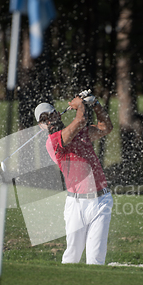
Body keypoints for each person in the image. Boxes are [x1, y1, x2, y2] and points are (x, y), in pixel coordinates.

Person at [34, 92, 113, 265]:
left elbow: (106, 128)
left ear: (57, 114)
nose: (49, 120)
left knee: (96, 259)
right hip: (76, 205)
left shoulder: (80, 132)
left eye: (50, 115)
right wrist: (81, 105)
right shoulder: (53, 141)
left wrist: (96, 104)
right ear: (42, 126)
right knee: (72, 257)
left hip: (101, 201)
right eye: (44, 120)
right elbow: (80, 120)